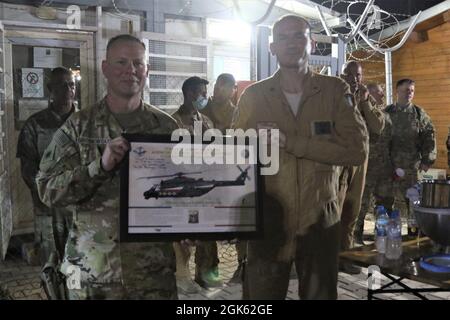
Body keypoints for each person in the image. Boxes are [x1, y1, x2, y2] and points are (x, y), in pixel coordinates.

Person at [232, 15, 369, 300]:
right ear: (272, 47)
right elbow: (232, 158)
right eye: (283, 37)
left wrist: (292, 142)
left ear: (312, 43)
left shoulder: (334, 91)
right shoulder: (253, 97)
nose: (291, 43)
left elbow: (357, 150)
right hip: (268, 222)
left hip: (320, 220)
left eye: (299, 36)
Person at [36, 34, 179, 300]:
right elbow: (47, 190)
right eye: (121, 62)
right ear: (105, 68)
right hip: (94, 276)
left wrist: (191, 227)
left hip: (152, 274)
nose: (130, 70)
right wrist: (97, 167)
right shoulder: (79, 127)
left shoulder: (167, 127)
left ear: (147, 70)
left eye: (138, 63)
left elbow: (179, 191)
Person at [17, 67, 76, 266]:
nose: (68, 89)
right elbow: (27, 168)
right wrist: (47, 192)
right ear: (51, 89)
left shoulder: (84, 122)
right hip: (47, 208)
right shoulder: (35, 124)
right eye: (63, 85)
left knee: (79, 261)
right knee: (51, 262)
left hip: (78, 206)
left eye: (72, 85)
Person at [171, 76, 222, 293]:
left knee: (207, 233)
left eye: (204, 92)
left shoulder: (207, 122)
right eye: (201, 92)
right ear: (189, 93)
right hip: (184, 186)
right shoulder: (173, 122)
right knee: (181, 235)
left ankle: (206, 273)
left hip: (205, 185)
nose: (204, 97)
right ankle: (182, 276)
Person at [338, 61, 385, 274]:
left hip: (359, 162)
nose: (354, 79)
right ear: (342, 74)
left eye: (358, 75)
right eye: (350, 74)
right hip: (337, 161)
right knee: (334, 210)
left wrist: (366, 103)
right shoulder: (334, 93)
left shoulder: (364, 98)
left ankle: (344, 257)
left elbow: (378, 126)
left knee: (351, 211)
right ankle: (328, 257)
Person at [200, 73, 245, 283]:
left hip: (229, 173)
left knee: (239, 221)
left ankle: (243, 266)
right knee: (204, 222)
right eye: (217, 86)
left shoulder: (238, 114)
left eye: (224, 87)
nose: (218, 90)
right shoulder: (201, 110)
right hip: (205, 172)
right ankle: (207, 268)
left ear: (233, 90)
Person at [382, 79, 436, 219]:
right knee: (384, 200)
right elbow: (379, 139)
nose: (409, 93)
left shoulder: (419, 114)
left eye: (412, 90)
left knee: (413, 201)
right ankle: (386, 229)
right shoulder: (386, 113)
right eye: (406, 90)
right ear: (397, 91)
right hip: (389, 166)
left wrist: (427, 159)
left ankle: (414, 230)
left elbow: (429, 136)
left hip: (411, 168)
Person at [353, 83, 392, 245]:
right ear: (368, 93)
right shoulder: (357, 111)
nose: (382, 96)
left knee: (385, 203)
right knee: (361, 204)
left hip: (383, 167)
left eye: (383, 93)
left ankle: (381, 235)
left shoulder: (382, 113)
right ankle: (356, 237)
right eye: (379, 93)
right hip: (365, 167)